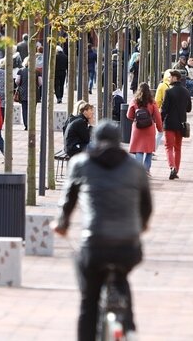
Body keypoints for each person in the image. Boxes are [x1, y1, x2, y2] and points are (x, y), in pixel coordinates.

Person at [54, 121, 152, 341]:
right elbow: (146, 206)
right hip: (128, 246)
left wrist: (61, 224)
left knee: (89, 300)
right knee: (122, 277)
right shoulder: (136, 167)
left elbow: (68, 201)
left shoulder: (81, 163)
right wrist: (141, 226)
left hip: (95, 244)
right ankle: (130, 330)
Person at [161, 69, 192, 179]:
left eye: (170, 77)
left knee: (168, 147)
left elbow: (164, 109)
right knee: (178, 148)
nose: (169, 79)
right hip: (181, 124)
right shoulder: (186, 91)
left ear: (175, 78)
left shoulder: (169, 92)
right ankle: (176, 170)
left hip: (169, 123)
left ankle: (172, 167)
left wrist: (160, 121)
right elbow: (189, 109)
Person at [127, 83, 163, 173]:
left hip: (137, 128)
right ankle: (146, 170)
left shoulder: (134, 101)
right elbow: (158, 117)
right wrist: (160, 128)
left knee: (139, 150)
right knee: (149, 150)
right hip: (149, 128)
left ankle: (139, 171)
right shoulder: (152, 101)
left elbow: (128, 115)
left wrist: (135, 119)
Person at [15, 63, 41, 131]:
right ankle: (31, 124)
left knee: (24, 109)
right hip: (34, 93)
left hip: (23, 92)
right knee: (32, 109)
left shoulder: (21, 71)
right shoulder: (37, 71)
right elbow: (40, 83)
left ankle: (26, 125)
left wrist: (21, 84)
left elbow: (17, 81)